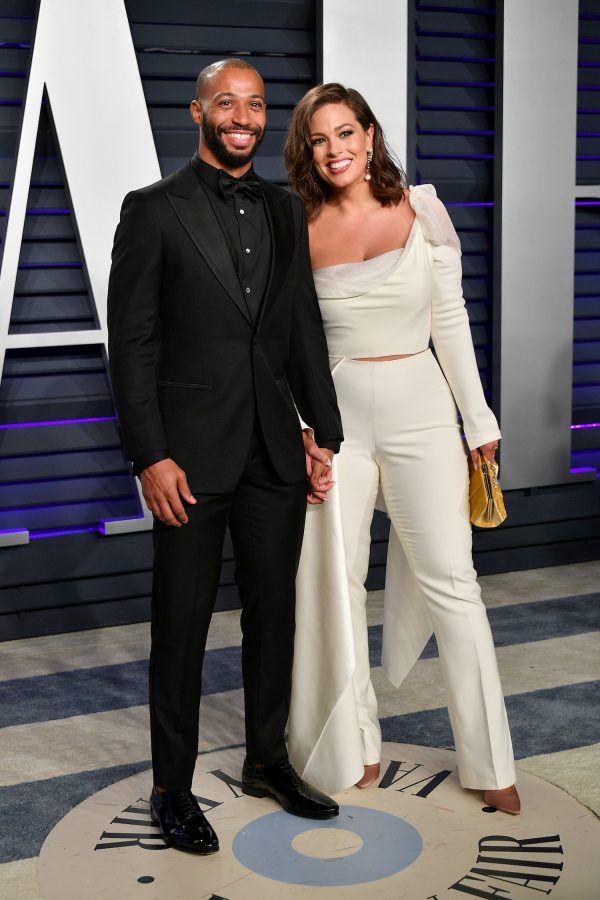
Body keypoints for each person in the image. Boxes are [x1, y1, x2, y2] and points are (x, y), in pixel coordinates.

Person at [107, 60, 344, 855]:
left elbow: (301, 326)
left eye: (254, 105)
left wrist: (323, 433)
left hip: (275, 452)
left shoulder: (285, 208)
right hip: (188, 462)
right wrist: (150, 456)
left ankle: (267, 760)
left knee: (273, 619)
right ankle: (171, 789)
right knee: (180, 627)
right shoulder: (152, 211)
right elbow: (132, 346)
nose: (241, 116)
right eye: (226, 103)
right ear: (198, 111)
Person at [284, 83, 520, 816]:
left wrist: (479, 426)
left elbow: (449, 321)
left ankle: (490, 763)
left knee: (455, 583)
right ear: (306, 150)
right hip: (336, 420)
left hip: (424, 411)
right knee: (336, 584)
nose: (335, 150)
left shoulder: (422, 209)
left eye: (346, 132)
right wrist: (301, 429)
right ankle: (353, 745)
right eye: (319, 139)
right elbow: (287, 342)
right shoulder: (294, 224)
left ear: (370, 134)